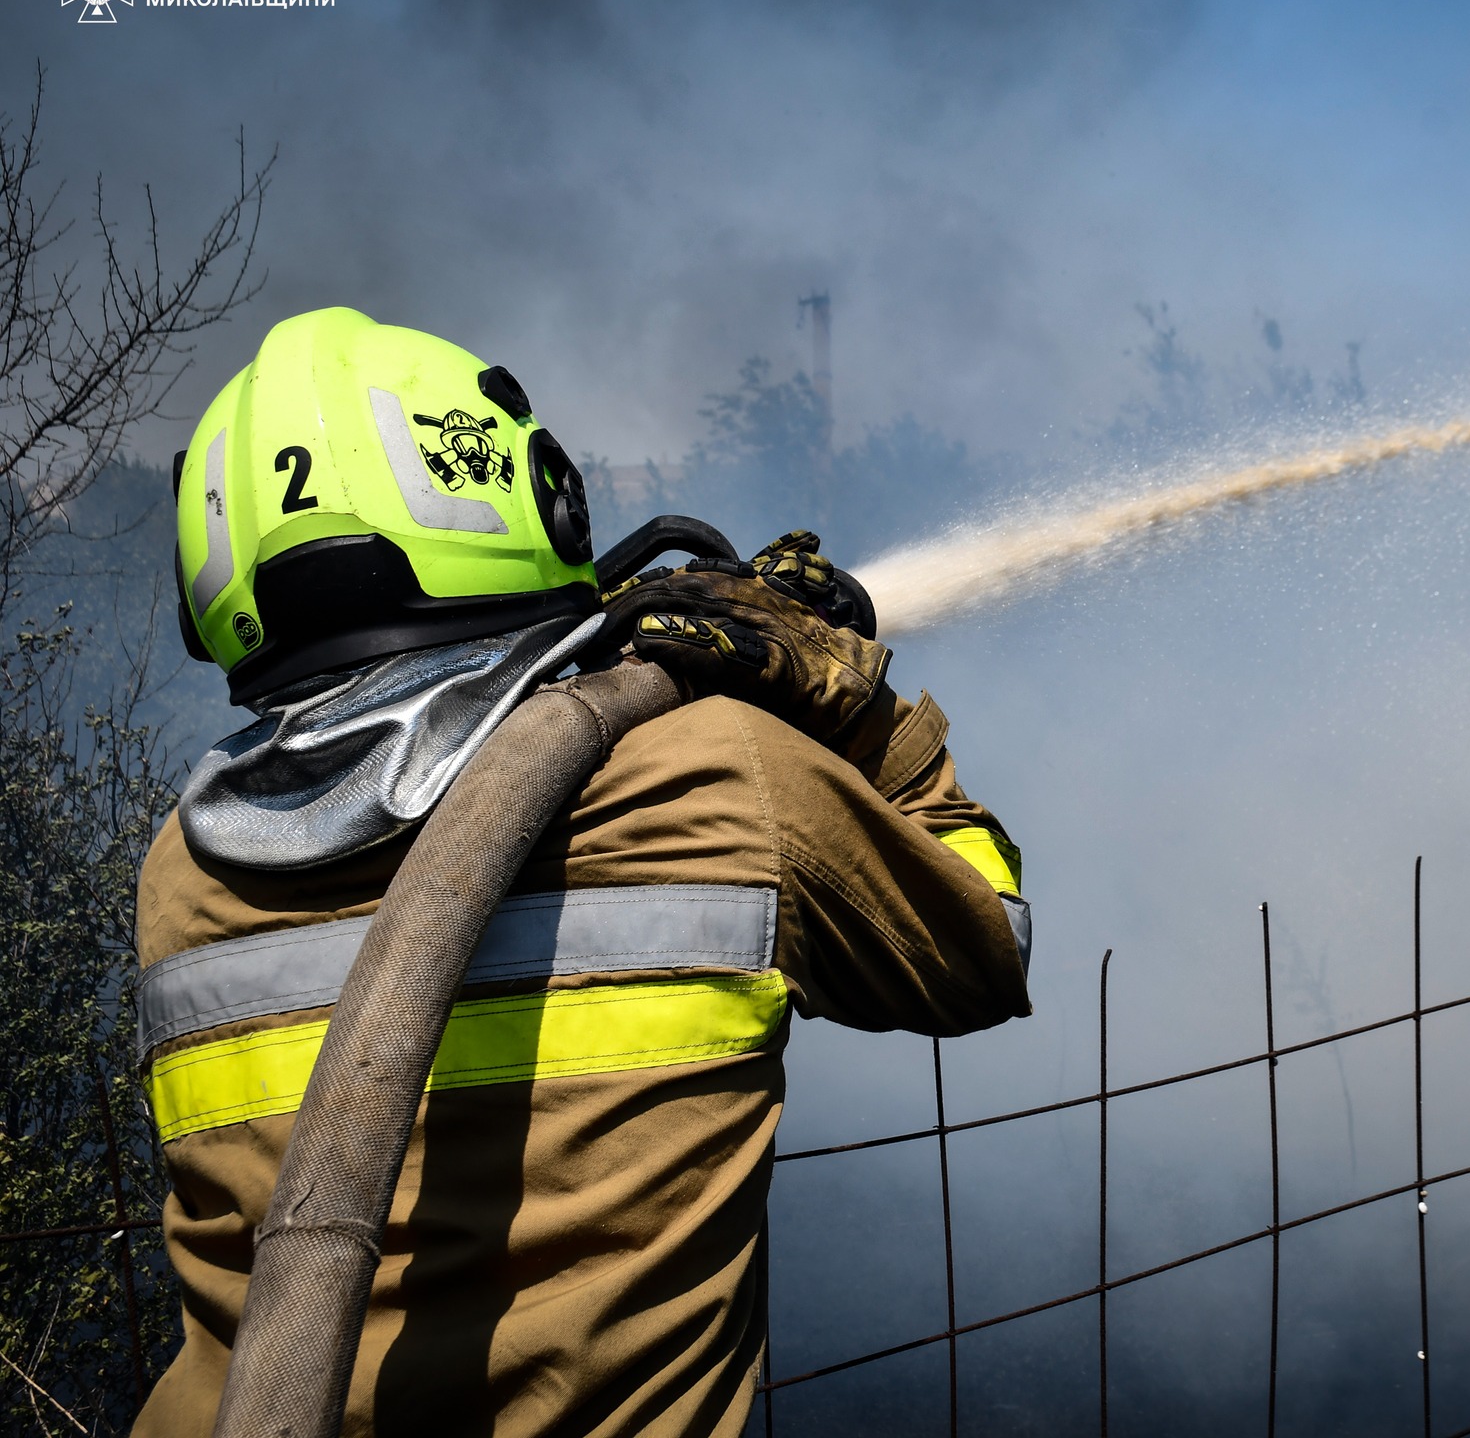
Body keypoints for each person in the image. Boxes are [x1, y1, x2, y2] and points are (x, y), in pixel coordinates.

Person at [134, 306, 1032, 1436]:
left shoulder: (180, 873)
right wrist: (856, 716)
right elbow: (989, 950)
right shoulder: (717, 775)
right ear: (533, 496)